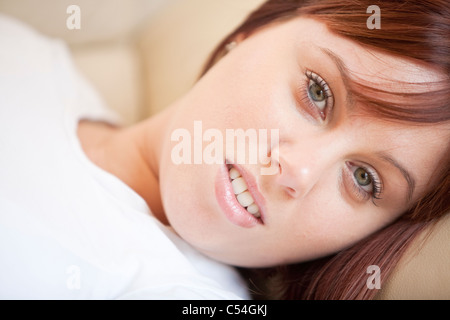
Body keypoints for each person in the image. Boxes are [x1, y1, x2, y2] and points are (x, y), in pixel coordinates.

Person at [0, 0, 449, 300]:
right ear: (253, 31)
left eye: (364, 179)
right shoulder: (32, 57)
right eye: (317, 93)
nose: (300, 170)